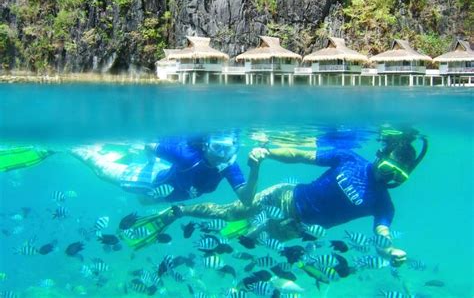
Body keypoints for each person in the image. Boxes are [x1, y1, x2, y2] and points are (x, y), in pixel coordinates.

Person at [142, 129, 427, 266]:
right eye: (388, 169)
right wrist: (268, 152)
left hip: (297, 230)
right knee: (230, 213)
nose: (388, 178)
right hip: (283, 198)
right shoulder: (349, 158)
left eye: (397, 176)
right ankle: (178, 210)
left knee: (247, 242)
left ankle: (231, 237)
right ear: (381, 157)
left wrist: (389, 251)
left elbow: (382, 233)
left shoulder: (383, 204)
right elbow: (300, 154)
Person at [72, 132, 259, 206]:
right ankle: (72, 148)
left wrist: (254, 169)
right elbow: (149, 144)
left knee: (144, 202)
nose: (222, 153)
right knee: (101, 171)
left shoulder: (228, 166)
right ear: (205, 145)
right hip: (152, 180)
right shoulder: (185, 155)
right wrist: (150, 164)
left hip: (167, 191)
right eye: (217, 147)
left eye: (228, 149)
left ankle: (120, 161)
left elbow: (247, 200)